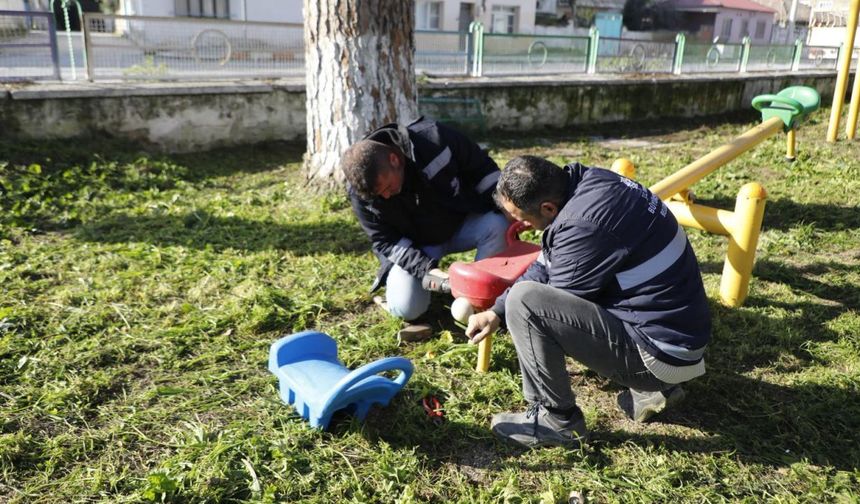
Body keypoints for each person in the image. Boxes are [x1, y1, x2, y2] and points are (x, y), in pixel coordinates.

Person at [466, 155, 712, 449]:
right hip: (682, 336)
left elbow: (546, 309)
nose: (526, 227)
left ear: (547, 207)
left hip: (661, 356)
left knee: (526, 303)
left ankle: (557, 421)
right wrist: (496, 311)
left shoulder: (582, 225)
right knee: (523, 299)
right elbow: (546, 264)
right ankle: (660, 387)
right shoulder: (590, 183)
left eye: (524, 219)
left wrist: (513, 308)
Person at [341, 118, 509, 330]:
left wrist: (508, 208)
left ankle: (486, 294)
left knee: (498, 222)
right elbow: (386, 242)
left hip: (462, 223)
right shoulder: (360, 194)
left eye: (387, 186)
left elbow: (483, 171)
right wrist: (427, 270)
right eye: (378, 194)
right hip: (419, 247)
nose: (385, 196)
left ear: (394, 159)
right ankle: (400, 297)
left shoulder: (434, 139)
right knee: (407, 308)